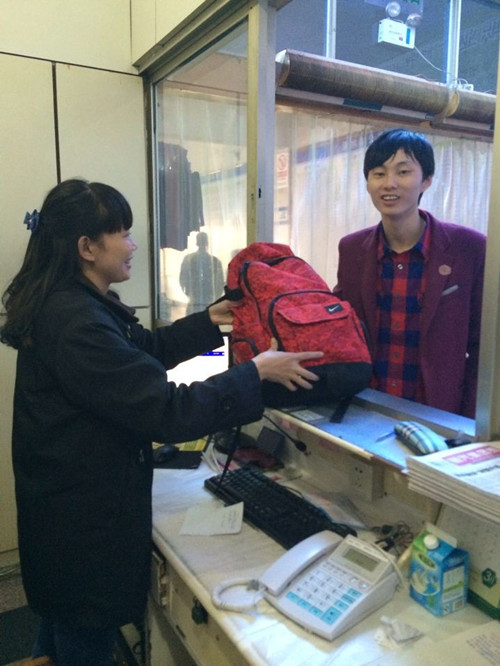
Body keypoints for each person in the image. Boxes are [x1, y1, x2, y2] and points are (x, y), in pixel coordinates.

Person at [0, 179, 323, 666]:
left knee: (60, 630)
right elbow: (167, 411)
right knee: (81, 639)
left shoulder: (76, 303)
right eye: (123, 234)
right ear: (87, 247)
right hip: (82, 529)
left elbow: (141, 352)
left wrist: (210, 320)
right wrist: (254, 373)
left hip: (68, 516)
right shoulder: (76, 321)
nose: (133, 245)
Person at [333, 128, 486, 418]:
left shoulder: (469, 248)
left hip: (440, 413)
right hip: (365, 408)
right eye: (378, 173)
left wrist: (470, 420)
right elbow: (342, 327)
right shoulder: (352, 249)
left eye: (403, 172)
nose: (389, 183)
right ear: (368, 183)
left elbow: (484, 346)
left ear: (426, 180)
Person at [179, 231, 224, 314]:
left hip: (198, 300)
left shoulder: (189, 259)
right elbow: (220, 284)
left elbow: (183, 279)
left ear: (196, 242)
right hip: (205, 300)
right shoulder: (215, 261)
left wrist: (189, 292)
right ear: (207, 242)